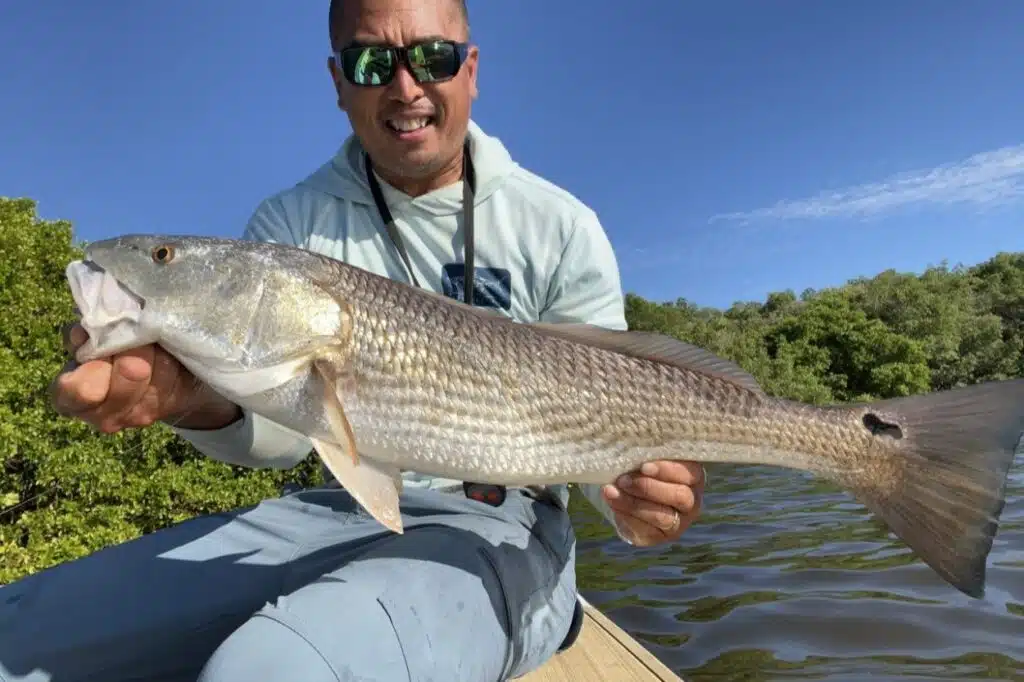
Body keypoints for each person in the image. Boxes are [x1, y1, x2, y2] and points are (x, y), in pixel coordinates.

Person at [0, 1, 705, 680]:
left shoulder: (559, 225)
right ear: (338, 82)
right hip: (331, 511)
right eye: (371, 62)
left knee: (278, 670)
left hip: (510, 524)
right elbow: (291, 432)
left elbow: (617, 424)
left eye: (433, 56)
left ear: (472, 68)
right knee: (15, 631)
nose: (405, 86)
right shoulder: (291, 222)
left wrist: (640, 502)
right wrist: (193, 400)